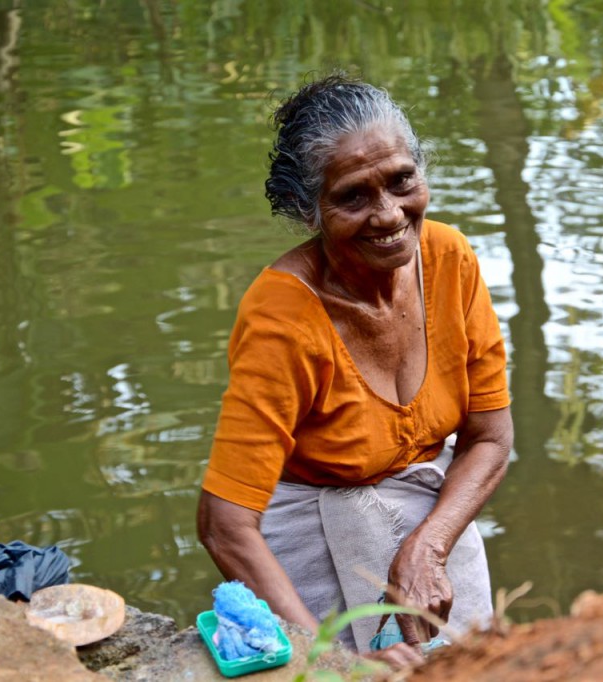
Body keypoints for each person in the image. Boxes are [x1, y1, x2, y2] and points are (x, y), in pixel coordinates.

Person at [196, 74, 513, 668]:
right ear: (308, 209)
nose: (389, 214)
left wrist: (429, 547)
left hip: (429, 508)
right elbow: (224, 524)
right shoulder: (282, 316)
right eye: (353, 197)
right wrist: (324, 659)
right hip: (308, 526)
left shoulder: (451, 260)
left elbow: (491, 440)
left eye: (402, 181)